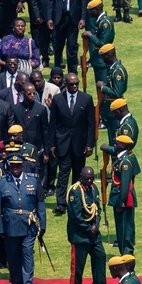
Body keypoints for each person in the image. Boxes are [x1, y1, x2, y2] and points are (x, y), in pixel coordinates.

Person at [0, 153, 46, 284]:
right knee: (13, 256)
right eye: (12, 166)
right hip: (10, 225)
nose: (15, 168)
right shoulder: (2, 182)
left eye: (17, 166)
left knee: (27, 254)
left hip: (29, 225)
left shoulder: (33, 180)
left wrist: (42, 225)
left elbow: (40, 203)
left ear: (23, 166)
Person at [49, 74, 95, 214]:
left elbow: (91, 124)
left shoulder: (86, 99)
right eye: (71, 84)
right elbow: (53, 123)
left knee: (78, 173)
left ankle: (76, 201)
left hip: (80, 143)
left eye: (76, 83)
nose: (74, 86)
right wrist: (52, 144)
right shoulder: (58, 99)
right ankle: (61, 203)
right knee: (63, 173)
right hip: (62, 142)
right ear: (66, 84)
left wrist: (90, 144)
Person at [67, 167, 107, 284]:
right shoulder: (75, 191)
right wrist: (89, 229)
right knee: (78, 266)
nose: (89, 181)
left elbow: (97, 210)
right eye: (86, 178)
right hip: (80, 235)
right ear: (81, 177)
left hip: (94, 234)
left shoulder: (94, 188)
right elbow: (75, 216)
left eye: (91, 178)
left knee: (100, 256)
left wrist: (96, 226)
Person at [49, 0, 87, 74]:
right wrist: (49, 18)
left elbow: (83, 1)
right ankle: (57, 72)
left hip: (73, 19)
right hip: (59, 18)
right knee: (58, 47)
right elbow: (51, 0)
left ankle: (72, 72)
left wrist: (83, 18)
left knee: (71, 47)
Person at [109, 136, 139, 255]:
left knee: (125, 228)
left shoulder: (125, 161)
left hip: (123, 200)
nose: (114, 145)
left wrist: (121, 203)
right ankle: (124, 253)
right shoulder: (125, 157)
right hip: (120, 197)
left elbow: (125, 184)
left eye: (117, 143)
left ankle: (127, 253)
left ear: (124, 146)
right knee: (121, 228)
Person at [96, 44, 127, 145]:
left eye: (103, 56)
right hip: (111, 109)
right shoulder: (113, 69)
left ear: (109, 55)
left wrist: (103, 87)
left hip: (116, 109)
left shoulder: (117, 71)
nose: (102, 59)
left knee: (115, 140)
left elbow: (117, 93)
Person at [83, 0, 115, 88]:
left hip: (102, 61)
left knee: (103, 87)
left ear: (97, 9)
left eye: (90, 10)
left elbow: (102, 43)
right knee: (99, 88)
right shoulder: (100, 21)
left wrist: (90, 35)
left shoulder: (105, 23)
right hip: (98, 60)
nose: (89, 13)